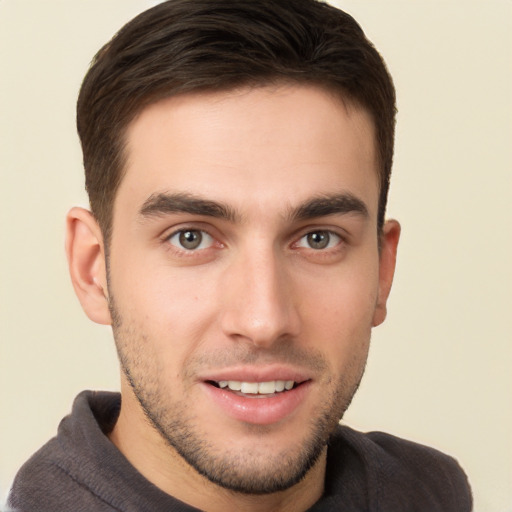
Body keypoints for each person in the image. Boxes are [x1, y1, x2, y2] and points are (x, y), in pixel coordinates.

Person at [8, 0, 472, 511]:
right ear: (93, 269)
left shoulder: (432, 495)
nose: (263, 320)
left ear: (382, 272)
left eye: (319, 238)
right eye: (191, 238)